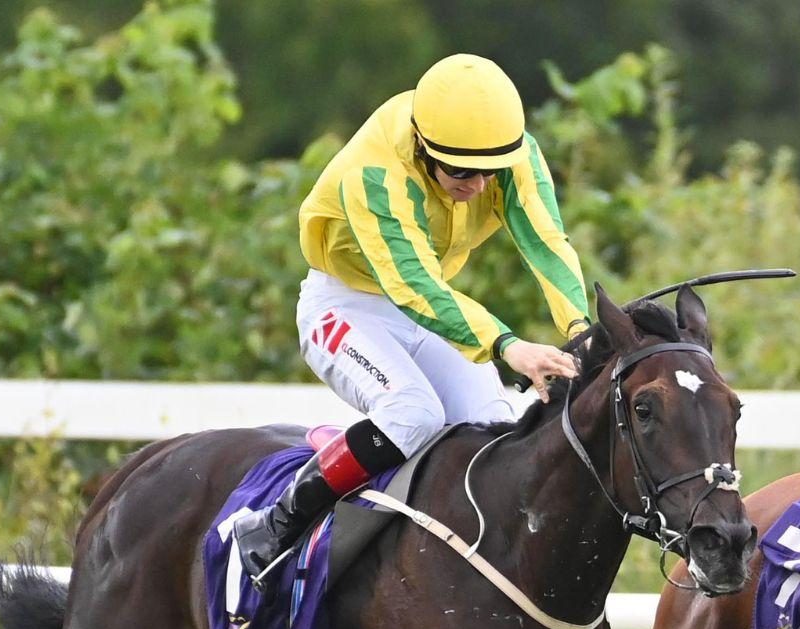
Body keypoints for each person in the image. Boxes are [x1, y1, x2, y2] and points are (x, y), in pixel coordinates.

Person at [231, 53, 592, 580]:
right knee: (412, 411)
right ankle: (275, 525)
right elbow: (415, 286)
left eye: (487, 173)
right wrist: (509, 346)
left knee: (495, 426)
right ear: (423, 147)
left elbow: (545, 242)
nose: (475, 184)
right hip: (345, 305)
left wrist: (581, 332)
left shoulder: (510, 154)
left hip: (431, 309)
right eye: (459, 171)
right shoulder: (375, 173)